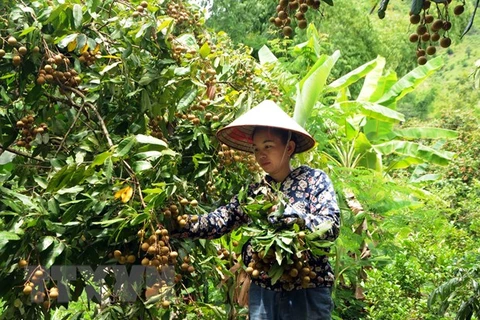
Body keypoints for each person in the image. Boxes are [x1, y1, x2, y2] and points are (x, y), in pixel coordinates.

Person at [176, 100, 340, 319]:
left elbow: (331, 225)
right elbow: (224, 218)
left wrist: (296, 218)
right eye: (256, 149)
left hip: (308, 291)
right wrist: (183, 223)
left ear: (289, 148)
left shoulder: (314, 180)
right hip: (264, 292)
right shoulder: (256, 191)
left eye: (268, 146)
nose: (261, 154)